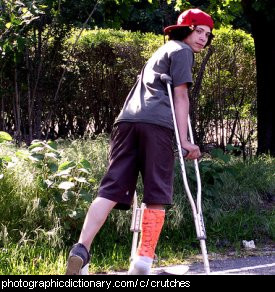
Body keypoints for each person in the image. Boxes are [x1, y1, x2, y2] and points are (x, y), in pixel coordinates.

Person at [65, 8, 214, 275]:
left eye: (207, 34)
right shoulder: (182, 52)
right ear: (185, 30)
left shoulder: (159, 53)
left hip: (126, 123)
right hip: (157, 125)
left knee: (110, 189)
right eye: (198, 31)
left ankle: (81, 250)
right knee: (156, 192)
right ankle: (143, 261)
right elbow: (180, 96)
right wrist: (185, 141)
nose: (203, 38)